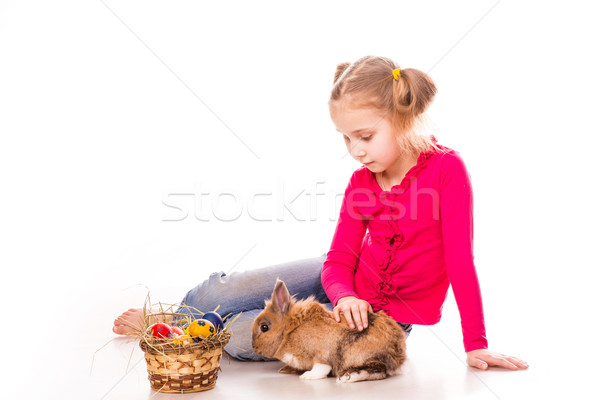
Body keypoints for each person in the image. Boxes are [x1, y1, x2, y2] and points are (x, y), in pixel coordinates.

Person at [114, 55, 528, 371]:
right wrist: (344, 291)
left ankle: (174, 333)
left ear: (404, 120)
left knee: (247, 338)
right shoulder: (362, 183)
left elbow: (460, 261)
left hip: (380, 319)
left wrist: (476, 343)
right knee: (224, 290)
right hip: (339, 281)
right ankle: (176, 317)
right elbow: (341, 258)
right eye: (346, 138)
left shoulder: (446, 170)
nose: (356, 150)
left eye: (365, 136)